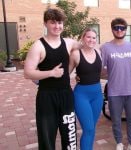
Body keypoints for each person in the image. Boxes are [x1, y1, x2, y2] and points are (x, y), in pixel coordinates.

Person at [23, 8, 78, 150]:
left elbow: (87, 46)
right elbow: (27, 73)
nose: (57, 26)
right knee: (47, 138)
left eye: (59, 23)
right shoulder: (38, 46)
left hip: (66, 95)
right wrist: (51, 73)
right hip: (46, 97)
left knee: (70, 137)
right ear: (45, 24)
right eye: (53, 23)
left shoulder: (68, 43)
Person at [100, 18, 131, 150]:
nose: (119, 30)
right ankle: (119, 143)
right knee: (116, 120)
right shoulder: (105, 48)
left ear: (126, 30)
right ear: (112, 29)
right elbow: (99, 68)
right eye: (116, 28)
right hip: (114, 91)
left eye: (122, 28)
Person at [69, 28, 103, 150]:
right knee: (88, 128)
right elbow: (66, 73)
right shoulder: (76, 54)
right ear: (83, 38)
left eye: (94, 37)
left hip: (97, 95)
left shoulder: (98, 52)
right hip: (81, 96)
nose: (91, 40)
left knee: (92, 128)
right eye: (88, 37)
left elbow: (98, 72)